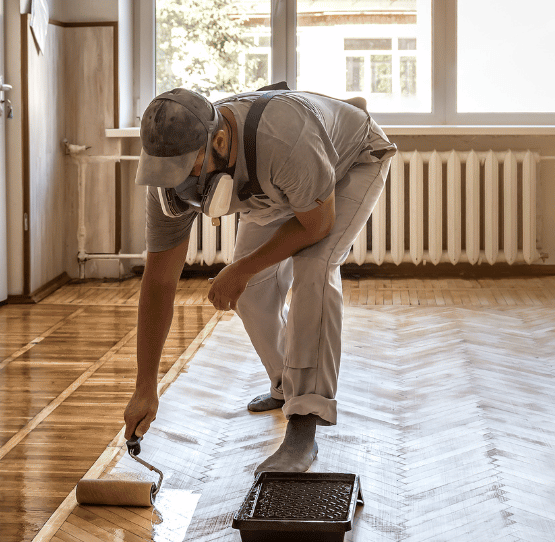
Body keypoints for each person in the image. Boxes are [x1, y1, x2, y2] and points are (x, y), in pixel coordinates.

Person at [123, 84, 395, 473]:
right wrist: (145, 386)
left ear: (219, 140)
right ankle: (286, 385)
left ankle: (304, 424)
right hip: (277, 184)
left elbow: (317, 225)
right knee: (250, 294)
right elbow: (160, 283)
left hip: (350, 162)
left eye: (189, 170)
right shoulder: (167, 183)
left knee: (315, 268)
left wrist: (241, 267)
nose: (180, 186)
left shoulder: (283, 137)